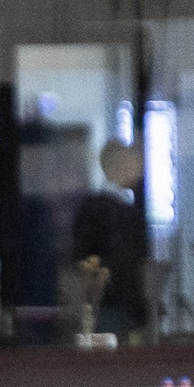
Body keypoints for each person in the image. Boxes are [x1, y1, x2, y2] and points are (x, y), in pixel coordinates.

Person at [70, 142, 148, 337]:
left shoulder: (125, 209)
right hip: (109, 304)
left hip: (125, 304)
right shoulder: (99, 209)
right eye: (132, 163)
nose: (138, 170)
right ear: (117, 167)